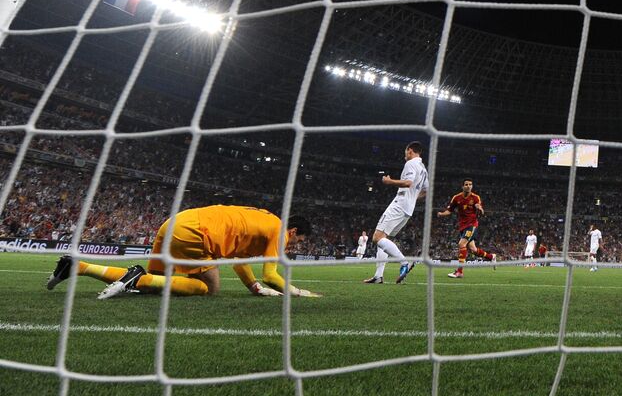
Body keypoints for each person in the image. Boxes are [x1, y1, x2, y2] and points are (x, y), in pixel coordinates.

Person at [46, 205, 320, 299]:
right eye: (298, 240)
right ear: (294, 231)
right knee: (208, 289)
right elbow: (271, 275)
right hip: (196, 233)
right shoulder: (279, 232)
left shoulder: (264, 219)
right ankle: (132, 276)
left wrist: (253, 287)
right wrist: (299, 293)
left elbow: (239, 260)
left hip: (176, 222)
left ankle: (80, 267)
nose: (295, 245)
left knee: (152, 286)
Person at [365, 141, 429, 285]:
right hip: (408, 208)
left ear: (410, 150)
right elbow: (426, 191)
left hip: (399, 204)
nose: (405, 154)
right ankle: (378, 276)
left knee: (377, 237)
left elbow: (408, 183)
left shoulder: (411, 164)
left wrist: (389, 181)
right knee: (384, 239)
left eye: (405, 151)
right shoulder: (423, 169)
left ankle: (404, 262)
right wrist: (412, 198)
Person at [437, 178, 496, 279]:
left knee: (461, 244)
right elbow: (449, 210)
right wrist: (442, 214)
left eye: (470, 184)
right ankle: (491, 257)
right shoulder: (456, 198)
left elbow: (480, 209)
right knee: (473, 249)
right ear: (462, 186)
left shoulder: (475, 197)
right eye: (466, 184)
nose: (468, 186)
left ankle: (459, 272)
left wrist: (480, 208)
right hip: (462, 226)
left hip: (472, 225)